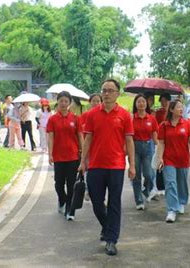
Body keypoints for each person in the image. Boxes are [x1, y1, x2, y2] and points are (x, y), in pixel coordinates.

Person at [79, 79, 136, 256]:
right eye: (104, 90)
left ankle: (111, 239)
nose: (106, 93)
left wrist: (132, 165)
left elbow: (129, 140)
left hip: (116, 165)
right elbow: (87, 139)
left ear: (118, 93)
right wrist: (83, 161)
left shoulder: (125, 115)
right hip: (95, 165)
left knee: (114, 203)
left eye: (111, 90)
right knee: (96, 202)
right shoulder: (92, 114)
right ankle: (107, 226)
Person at [156, 100, 190, 223]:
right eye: (178, 107)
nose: (181, 109)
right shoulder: (164, 125)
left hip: (183, 159)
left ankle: (181, 201)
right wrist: (160, 158)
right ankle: (171, 210)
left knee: (182, 182)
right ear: (172, 110)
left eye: (182, 107)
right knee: (170, 183)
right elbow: (161, 143)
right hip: (169, 160)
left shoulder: (187, 124)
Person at [47, 91, 83, 221]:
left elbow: (80, 136)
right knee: (58, 184)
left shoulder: (75, 118)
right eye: (61, 101)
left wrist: (83, 153)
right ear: (58, 102)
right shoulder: (52, 119)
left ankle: (70, 210)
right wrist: (50, 153)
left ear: (70, 103)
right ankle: (62, 200)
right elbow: (51, 137)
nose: (63, 103)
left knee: (71, 184)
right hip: (58, 156)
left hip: (73, 156)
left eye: (66, 101)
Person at [131, 94, 159, 210]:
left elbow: (154, 134)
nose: (141, 104)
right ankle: (139, 201)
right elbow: (128, 136)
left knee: (149, 174)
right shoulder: (131, 118)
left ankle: (146, 189)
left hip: (148, 146)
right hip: (135, 146)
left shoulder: (151, 118)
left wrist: (158, 147)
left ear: (146, 104)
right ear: (135, 104)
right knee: (136, 175)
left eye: (143, 101)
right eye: (139, 102)